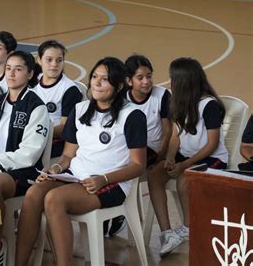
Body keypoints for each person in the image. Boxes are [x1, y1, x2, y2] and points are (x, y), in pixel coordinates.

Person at [15, 57, 147, 266]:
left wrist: (104, 179)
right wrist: (55, 168)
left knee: (54, 199)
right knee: (34, 193)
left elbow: (138, 166)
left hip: (110, 183)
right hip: (75, 176)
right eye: (95, 77)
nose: (97, 82)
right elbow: (68, 155)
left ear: (119, 85)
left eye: (105, 79)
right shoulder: (81, 109)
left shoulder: (132, 116)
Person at [0, 50, 50, 265]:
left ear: (30, 74)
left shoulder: (36, 107)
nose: (11, 74)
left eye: (18, 69)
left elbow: (29, 153)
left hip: (21, 172)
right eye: (8, 68)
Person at [148, 57, 228, 257]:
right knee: (154, 176)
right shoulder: (179, 101)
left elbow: (212, 144)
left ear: (183, 81)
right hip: (186, 156)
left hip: (211, 158)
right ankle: (167, 232)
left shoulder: (209, 105)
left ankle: (187, 228)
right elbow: (176, 135)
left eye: (172, 78)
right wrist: (170, 157)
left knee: (185, 181)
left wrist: (184, 165)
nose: (170, 81)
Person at [104, 54, 173, 238]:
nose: (146, 81)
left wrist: (161, 155)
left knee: (118, 167)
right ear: (128, 81)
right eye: (140, 78)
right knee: (105, 162)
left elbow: (168, 131)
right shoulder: (121, 98)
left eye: (149, 76)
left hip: (152, 150)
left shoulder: (162, 96)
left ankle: (118, 211)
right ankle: (111, 210)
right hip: (128, 149)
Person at [32, 40, 83, 157]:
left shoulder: (69, 90)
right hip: (32, 135)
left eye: (59, 60)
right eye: (49, 60)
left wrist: (37, 133)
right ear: (39, 60)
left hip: (54, 141)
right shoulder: (32, 82)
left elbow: (66, 128)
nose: (54, 64)